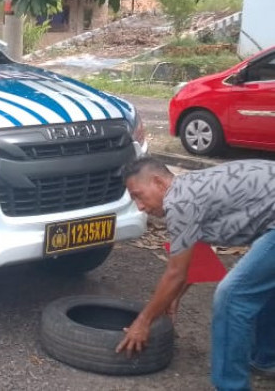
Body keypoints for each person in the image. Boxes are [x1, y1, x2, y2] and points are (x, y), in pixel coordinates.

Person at [116, 157, 275, 391]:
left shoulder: (179, 202)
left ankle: (231, 386)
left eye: (138, 195)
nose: (140, 206)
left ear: (158, 182)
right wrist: (174, 297)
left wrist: (143, 322)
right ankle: (266, 358)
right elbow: (193, 259)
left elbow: (175, 273)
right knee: (260, 283)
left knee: (232, 296)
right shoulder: (189, 188)